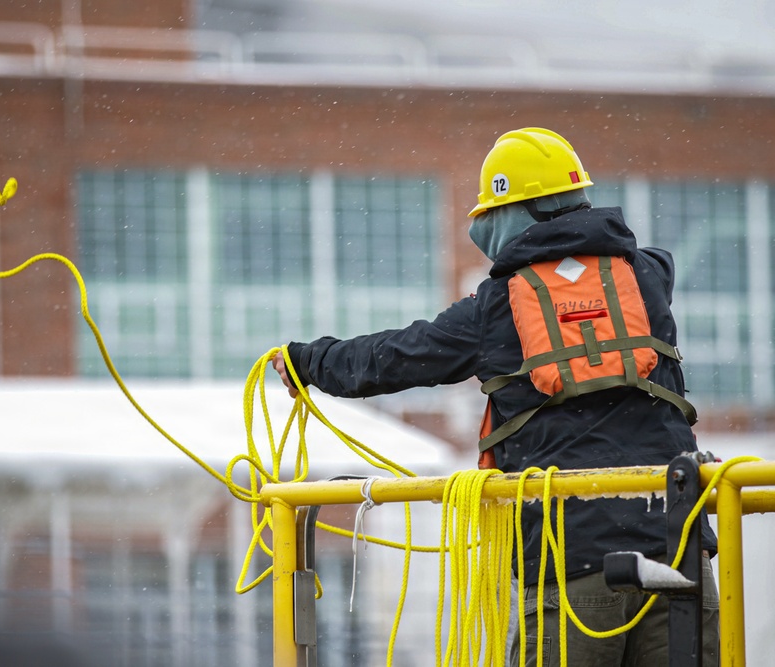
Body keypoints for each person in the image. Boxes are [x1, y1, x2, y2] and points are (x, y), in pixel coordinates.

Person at [272, 128, 719, 665]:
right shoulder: (649, 275)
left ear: (510, 214)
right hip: (677, 552)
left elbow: (394, 356)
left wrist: (306, 361)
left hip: (568, 561)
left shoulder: (498, 306)